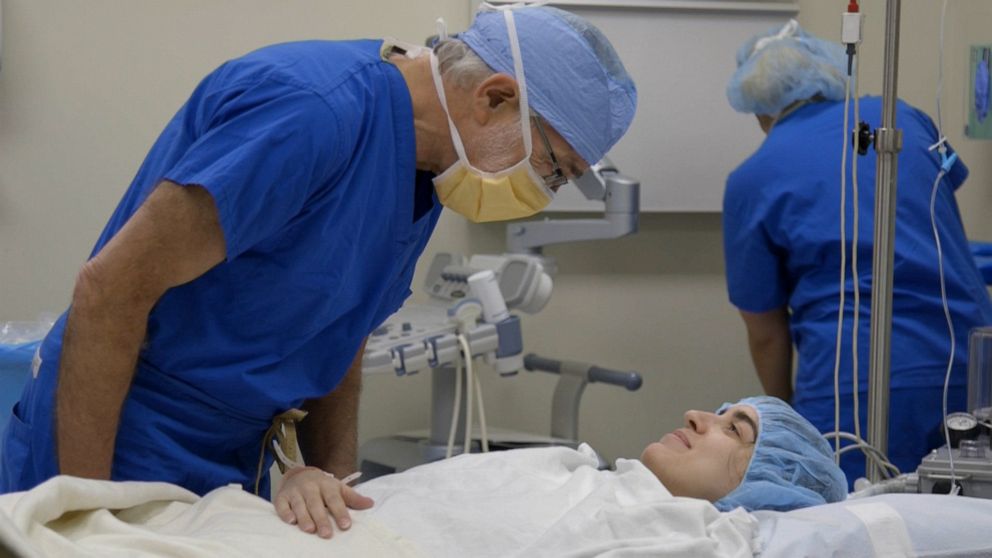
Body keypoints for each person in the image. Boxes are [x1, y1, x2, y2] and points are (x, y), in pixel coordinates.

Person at [0, 2, 637, 508]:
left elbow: (342, 329)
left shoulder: (430, 165)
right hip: (116, 437)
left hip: (228, 462)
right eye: (554, 169)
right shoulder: (314, 115)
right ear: (494, 98)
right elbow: (110, 290)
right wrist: (83, 513)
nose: (540, 193)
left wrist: (337, 483)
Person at [722, 20, 992, 485]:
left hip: (850, 383)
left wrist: (786, 421)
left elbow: (765, 330)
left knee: (858, 517)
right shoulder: (903, 119)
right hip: (965, 358)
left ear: (759, 110)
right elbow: (937, 219)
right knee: (969, 511)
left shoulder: (754, 177)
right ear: (828, 74)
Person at [273, 395, 847, 539]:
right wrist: (305, 478)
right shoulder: (578, 476)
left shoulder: (675, 536)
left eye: (734, 429)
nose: (698, 415)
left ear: (771, 486)